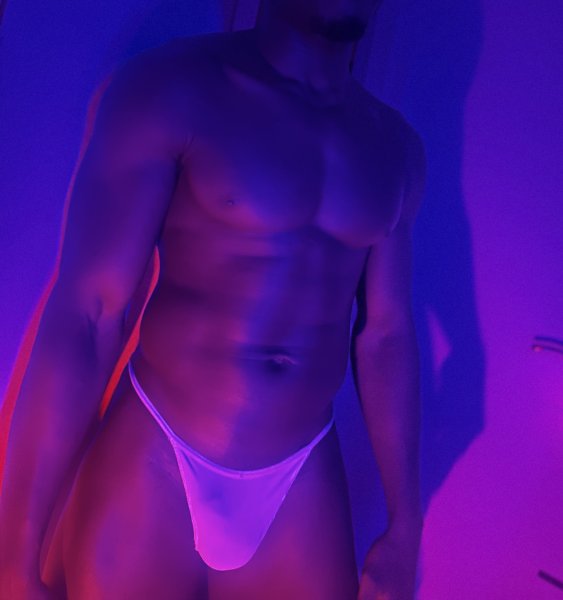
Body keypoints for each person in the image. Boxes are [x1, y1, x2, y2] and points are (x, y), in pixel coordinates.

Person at [0, 0, 426, 598]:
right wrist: (14, 555)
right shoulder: (173, 89)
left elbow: (386, 337)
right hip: (158, 453)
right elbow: (90, 314)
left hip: (301, 473)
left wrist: (406, 527)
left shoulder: (395, 147)